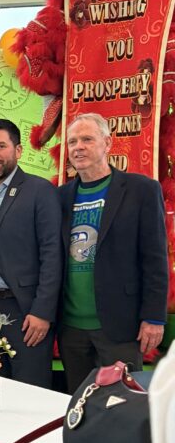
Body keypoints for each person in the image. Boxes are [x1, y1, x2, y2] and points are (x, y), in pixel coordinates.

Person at [57, 112, 168, 393]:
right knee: (78, 405)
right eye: (72, 142)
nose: (78, 147)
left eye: (86, 139)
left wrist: (154, 317)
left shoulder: (141, 190)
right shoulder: (60, 196)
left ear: (107, 143)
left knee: (122, 407)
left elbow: (155, 258)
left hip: (120, 325)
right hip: (71, 328)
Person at [0, 118, 63, 388]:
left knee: (30, 391)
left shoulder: (40, 191)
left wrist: (42, 312)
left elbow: (52, 255)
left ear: (18, 150)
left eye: (0, 146)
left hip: (25, 312)